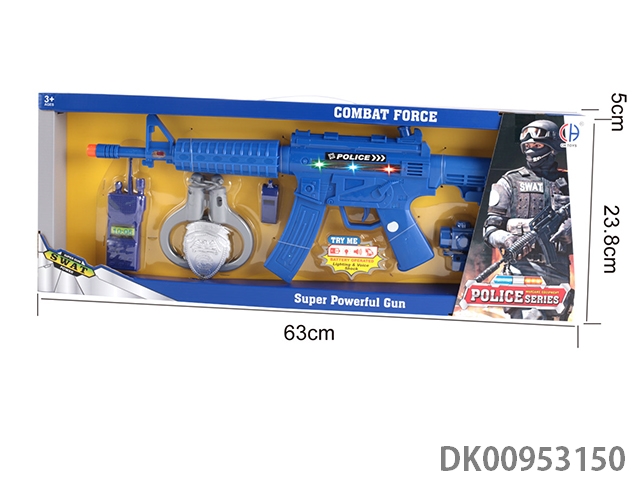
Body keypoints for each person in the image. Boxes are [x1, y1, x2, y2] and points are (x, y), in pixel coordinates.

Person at [483, 119, 572, 319]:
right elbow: (489, 229)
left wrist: (572, 226)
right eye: (528, 145)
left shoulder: (571, 182)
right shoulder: (509, 181)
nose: (531, 150)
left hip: (559, 266)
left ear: (553, 147)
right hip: (522, 266)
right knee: (530, 319)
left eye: (537, 145)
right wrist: (508, 239)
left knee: (559, 320)